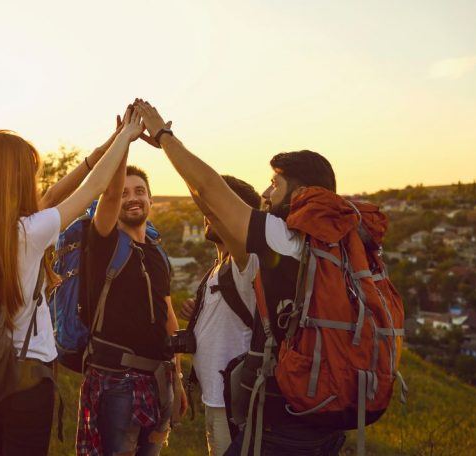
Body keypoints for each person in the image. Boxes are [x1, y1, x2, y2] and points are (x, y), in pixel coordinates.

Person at [133, 99, 345, 455]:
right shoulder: (317, 244)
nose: (265, 193)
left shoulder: (282, 240)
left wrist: (165, 137)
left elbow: (211, 194)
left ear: (302, 193)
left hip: (265, 408)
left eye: (276, 184)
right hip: (298, 408)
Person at [0, 106, 144, 456]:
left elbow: (54, 196)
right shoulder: (27, 233)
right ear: (16, 179)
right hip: (26, 379)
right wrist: (126, 138)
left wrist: (107, 146)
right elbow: (92, 189)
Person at [76, 160, 188, 455]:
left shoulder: (156, 251)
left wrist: (177, 378)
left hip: (159, 381)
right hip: (117, 382)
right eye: (123, 194)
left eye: (139, 191)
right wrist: (125, 138)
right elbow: (109, 197)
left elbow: (168, 315)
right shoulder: (104, 243)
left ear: (151, 199)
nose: (132, 198)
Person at [179, 176, 261, 456]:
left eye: (216, 208)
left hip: (233, 405)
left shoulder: (246, 262)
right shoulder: (219, 267)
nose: (207, 214)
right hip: (215, 398)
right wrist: (199, 314)